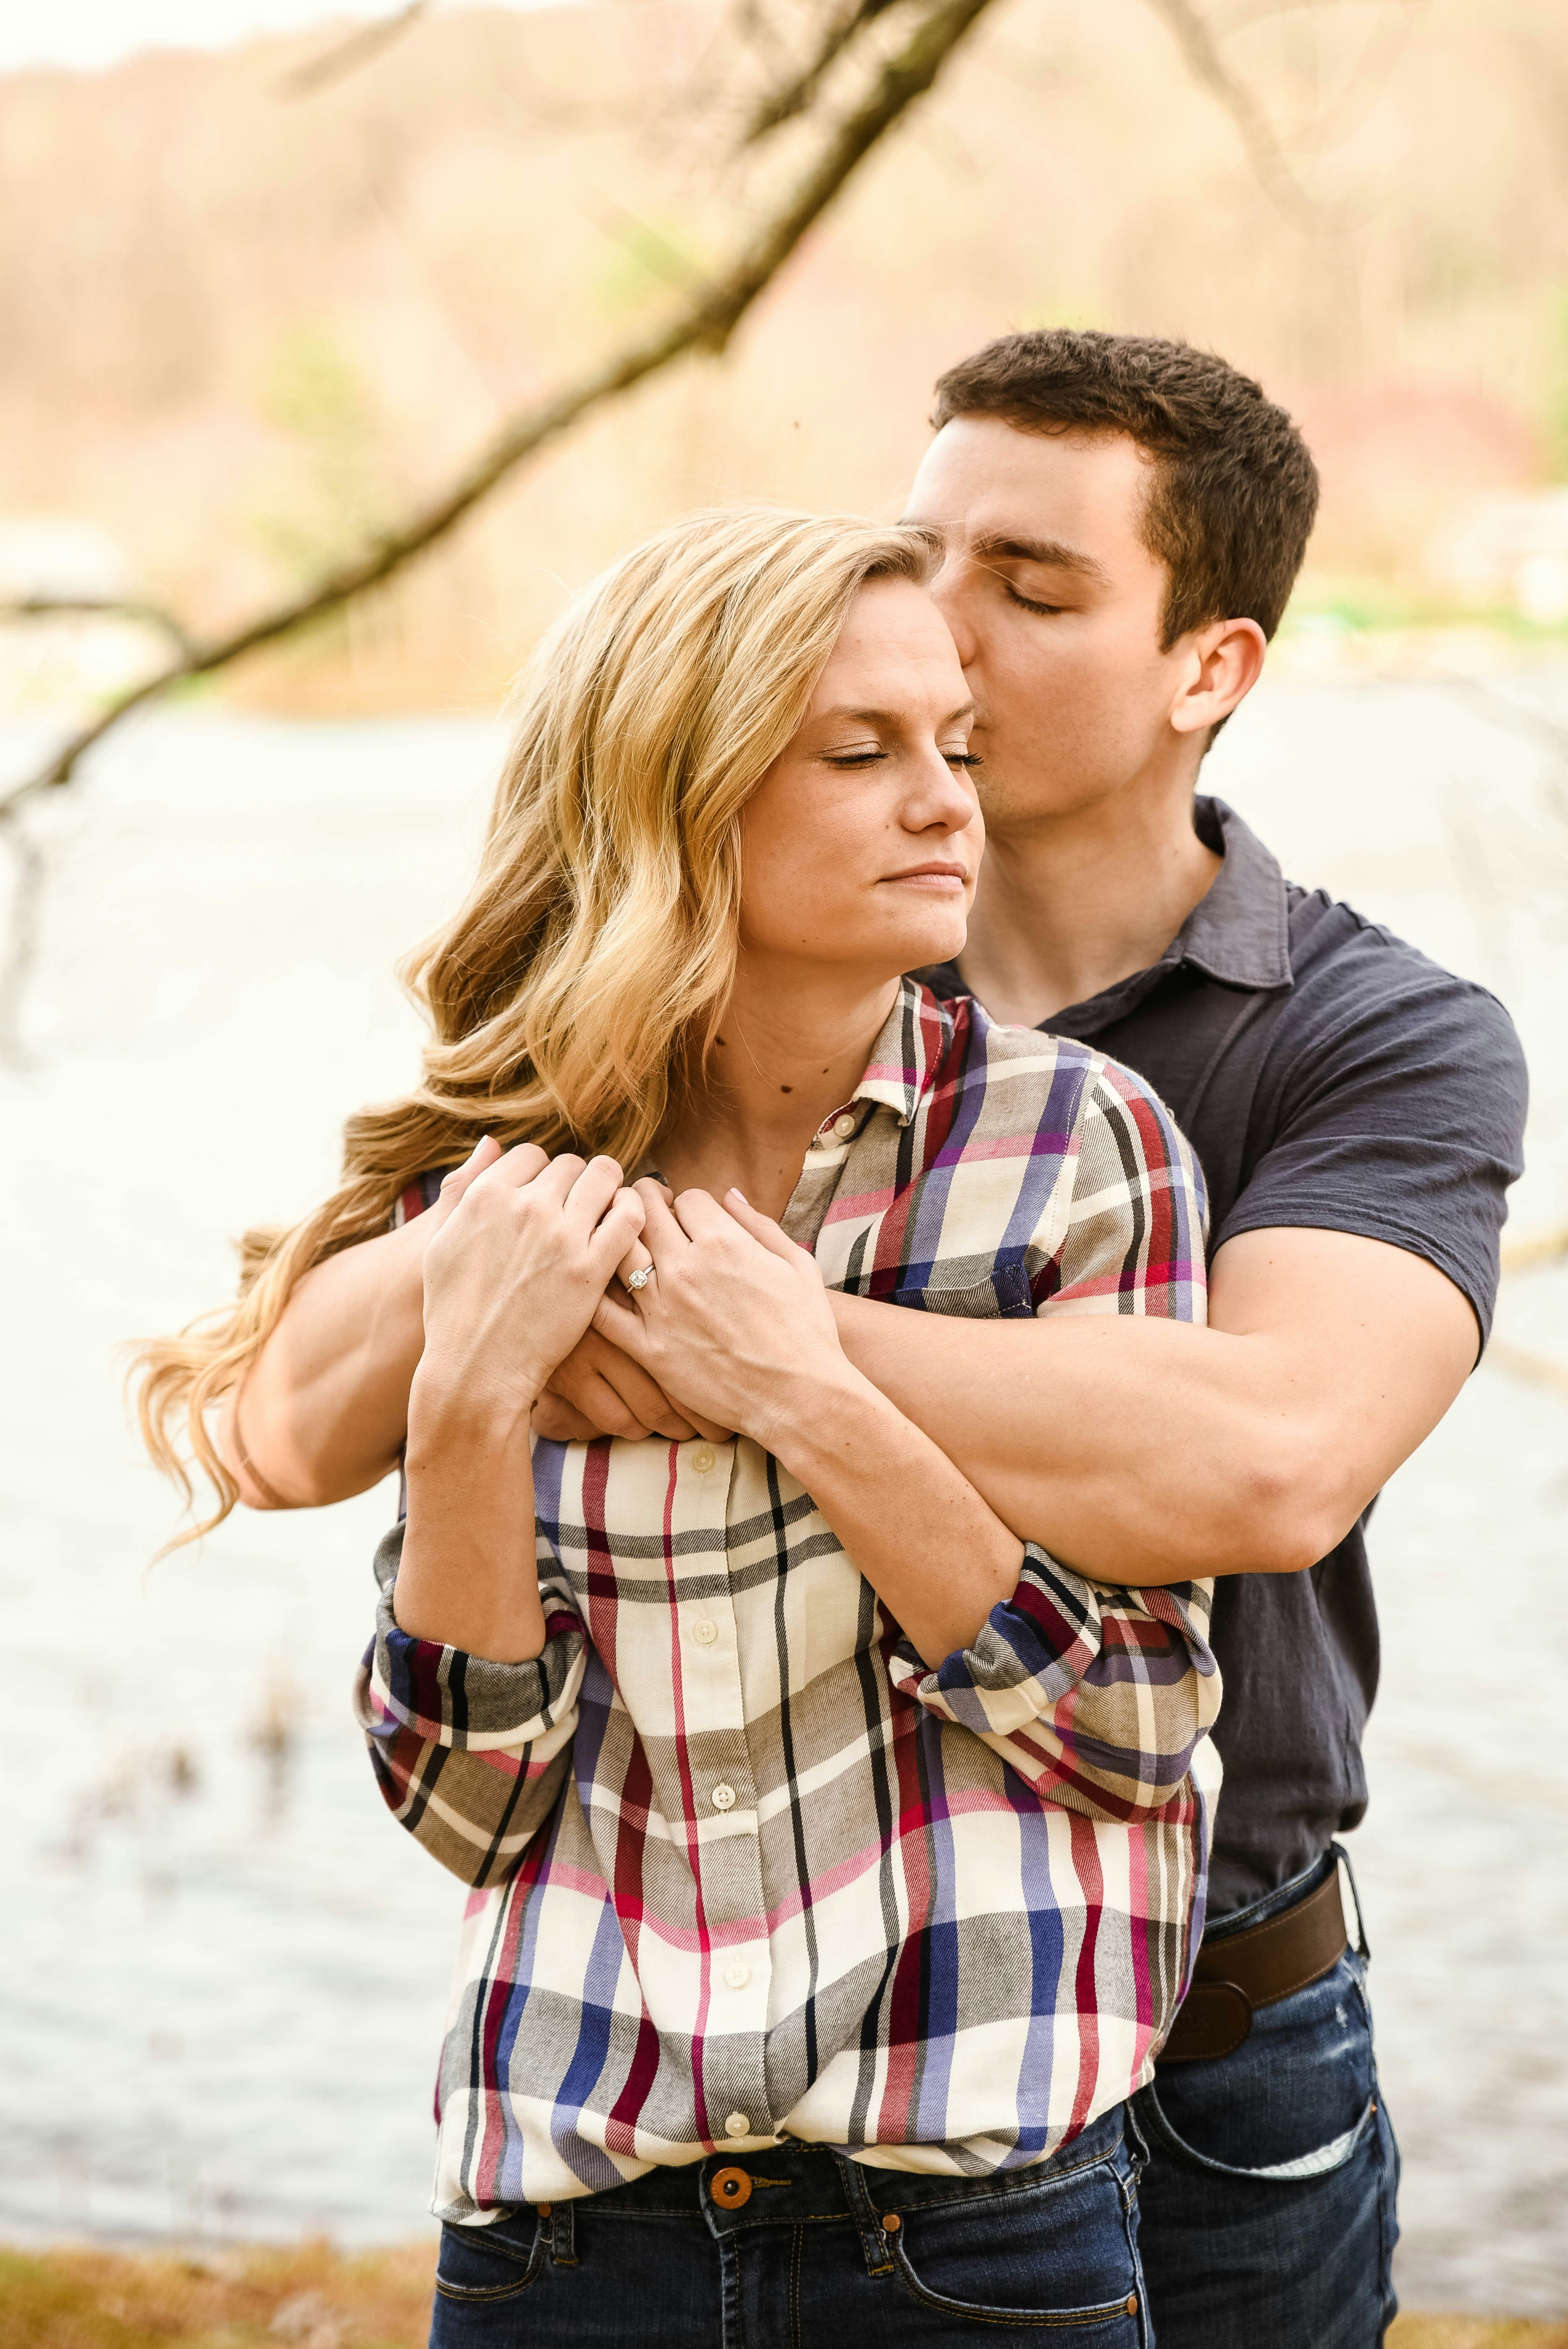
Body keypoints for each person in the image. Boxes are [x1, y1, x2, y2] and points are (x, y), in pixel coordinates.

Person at [166, 335, 1527, 2349]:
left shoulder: (1348, 1041)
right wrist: (501, 1320)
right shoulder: (685, 1016)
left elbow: (1264, 1461)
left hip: (1218, 2020)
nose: (947, 640)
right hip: (673, 2109)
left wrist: (764, 1342)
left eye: (1032, 592)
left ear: (1210, 668)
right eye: (924, 557)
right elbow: (294, 1422)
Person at [135, 508, 1221, 2345]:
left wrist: (802, 1386)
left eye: (953, 744)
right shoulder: (500, 1208)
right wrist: (473, 1393)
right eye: (858, 753)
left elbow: (1130, 1733)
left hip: (976, 2242)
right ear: (678, 785)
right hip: (567, 2232)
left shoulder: (1076, 1154)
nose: (948, 800)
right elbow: (467, 1805)